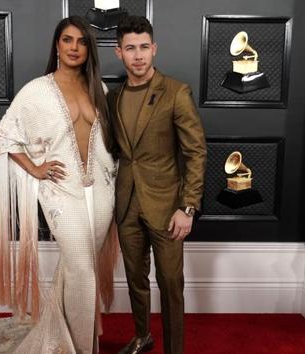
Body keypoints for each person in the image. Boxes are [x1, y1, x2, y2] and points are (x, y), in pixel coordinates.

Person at [0, 16, 119, 353]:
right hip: (62, 193)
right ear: (57, 46)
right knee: (80, 267)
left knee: (80, 265)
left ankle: (59, 341)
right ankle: (80, 349)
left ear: (89, 49)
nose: (74, 47)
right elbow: (4, 136)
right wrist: (34, 168)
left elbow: (112, 146)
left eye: (81, 41)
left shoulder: (99, 89)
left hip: (102, 192)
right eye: (67, 40)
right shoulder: (37, 90)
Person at [107, 16, 207, 354]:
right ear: (119, 52)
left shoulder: (176, 92)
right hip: (126, 204)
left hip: (167, 208)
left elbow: (196, 152)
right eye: (130, 48)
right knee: (135, 279)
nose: (138, 56)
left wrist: (188, 206)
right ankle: (142, 337)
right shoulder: (113, 99)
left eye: (144, 47)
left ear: (154, 49)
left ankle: (174, 350)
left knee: (170, 283)